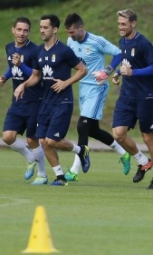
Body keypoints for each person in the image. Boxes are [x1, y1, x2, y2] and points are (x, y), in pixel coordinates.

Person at [13, 14, 90, 186]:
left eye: (45, 27)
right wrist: (24, 85)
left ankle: (81, 150)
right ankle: (60, 177)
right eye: (40, 27)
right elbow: (35, 76)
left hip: (62, 102)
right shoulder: (38, 51)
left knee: (52, 140)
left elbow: (82, 70)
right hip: (45, 102)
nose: (42, 30)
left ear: (54, 29)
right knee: (43, 141)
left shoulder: (64, 50)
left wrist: (66, 83)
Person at [63, 13, 131, 182]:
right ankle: (124, 154)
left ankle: (74, 169)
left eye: (72, 32)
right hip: (83, 88)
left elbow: (120, 54)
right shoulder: (70, 41)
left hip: (97, 88)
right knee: (93, 130)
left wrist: (107, 71)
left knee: (82, 125)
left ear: (81, 27)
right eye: (68, 32)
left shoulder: (96, 41)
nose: (70, 36)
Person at [109, 9, 153, 189]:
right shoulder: (122, 41)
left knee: (148, 138)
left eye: (123, 24)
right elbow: (126, 61)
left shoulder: (143, 43)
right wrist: (117, 73)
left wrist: (133, 73)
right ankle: (142, 161)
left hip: (145, 96)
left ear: (133, 23)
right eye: (119, 24)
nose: (120, 27)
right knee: (118, 133)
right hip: (127, 95)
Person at [0, 17, 48, 184]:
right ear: (13, 30)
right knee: (7, 137)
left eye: (25, 30)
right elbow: (12, 67)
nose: (22, 33)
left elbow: (36, 76)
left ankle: (42, 175)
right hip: (17, 101)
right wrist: (5, 77)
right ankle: (30, 158)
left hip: (34, 101)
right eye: (19, 29)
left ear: (29, 32)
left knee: (32, 139)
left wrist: (21, 67)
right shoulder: (9, 47)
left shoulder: (34, 50)